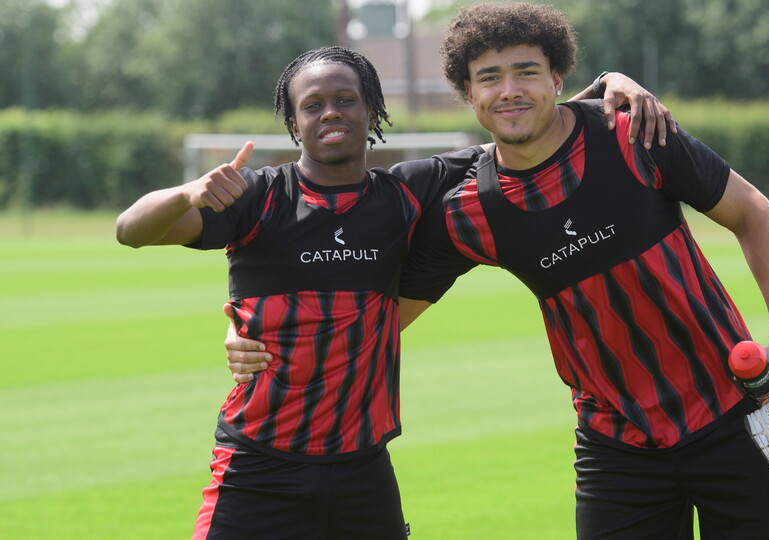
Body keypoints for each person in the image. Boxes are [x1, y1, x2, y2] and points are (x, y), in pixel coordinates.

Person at [224, 4, 769, 539]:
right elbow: (377, 318)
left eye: (526, 71)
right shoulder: (468, 210)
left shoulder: (634, 134)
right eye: (490, 77)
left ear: (558, 77)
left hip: (736, 420)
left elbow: (753, 213)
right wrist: (264, 341)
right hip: (616, 446)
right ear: (468, 93)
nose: (510, 90)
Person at [117, 44, 671, 539]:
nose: (330, 112)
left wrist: (605, 87)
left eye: (345, 100)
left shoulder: (408, 191)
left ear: (372, 111)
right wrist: (187, 192)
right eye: (312, 105)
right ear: (293, 122)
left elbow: (528, 133)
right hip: (257, 464)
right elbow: (131, 231)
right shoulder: (258, 198)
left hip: (363, 471)